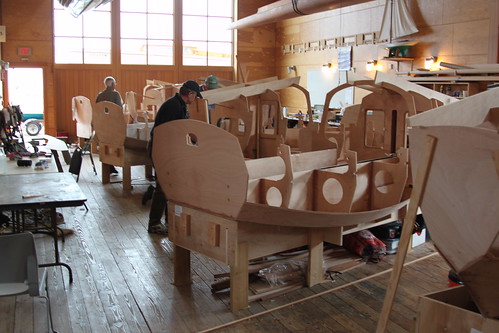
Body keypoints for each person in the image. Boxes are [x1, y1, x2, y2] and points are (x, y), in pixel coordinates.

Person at [147, 80, 202, 235]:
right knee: (163, 186)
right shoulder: (174, 106)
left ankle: (168, 221)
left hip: (166, 148)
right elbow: (167, 132)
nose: (195, 99)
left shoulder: (179, 105)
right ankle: (154, 224)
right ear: (190, 93)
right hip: (162, 148)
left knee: (169, 186)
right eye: (195, 95)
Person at [95, 76, 123, 174]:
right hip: (113, 124)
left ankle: (107, 166)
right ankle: (114, 163)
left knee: (105, 145)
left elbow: (96, 109)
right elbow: (120, 110)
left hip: (102, 125)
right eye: (115, 83)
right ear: (112, 85)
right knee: (115, 144)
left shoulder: (100, 95)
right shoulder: (115, 94)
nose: (115, 85)